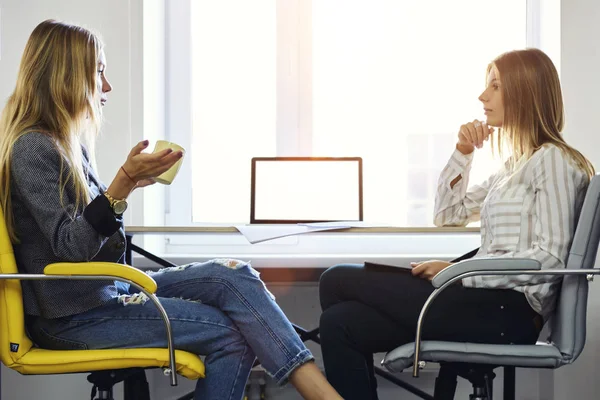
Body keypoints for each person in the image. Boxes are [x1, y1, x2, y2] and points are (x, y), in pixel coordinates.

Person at [0, 19, 342, 400]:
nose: (107, 85)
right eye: (98, 72)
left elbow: (94, 237)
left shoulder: (65, 143)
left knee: (234, 276)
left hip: (105, 292)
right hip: (71, 318)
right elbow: (71, 247)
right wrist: (122, 184)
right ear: (66, 75)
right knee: (232, 335)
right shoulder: (33, 148)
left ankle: (322, 394)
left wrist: (121, 189)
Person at [318, 48, 595, 399]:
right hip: (480, 302)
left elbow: (549, 260)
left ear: (525, 91)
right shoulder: (515, 166)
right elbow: (448, 214)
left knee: (335, 279)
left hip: (507, 313)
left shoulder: (553, 160)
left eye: (495, 86)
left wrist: (456, 272)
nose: (483, 96)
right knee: (339, 323)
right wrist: (464, 151)